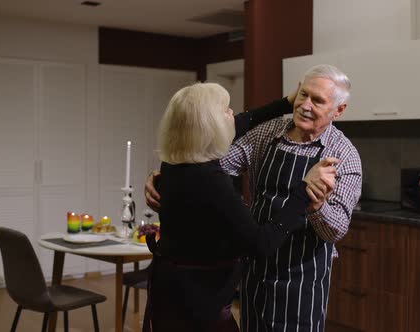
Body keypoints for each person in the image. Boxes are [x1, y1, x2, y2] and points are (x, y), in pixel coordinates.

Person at [146, 64, 363, 331]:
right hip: (254, 270)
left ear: (338, 110)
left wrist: (316, 203)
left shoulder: (345, 156)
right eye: (303, 94)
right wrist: (165, 178)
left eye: (317, 100)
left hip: (300, 278)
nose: (305, 105)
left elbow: (337, 229)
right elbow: (207, 158)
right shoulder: (267, 133)